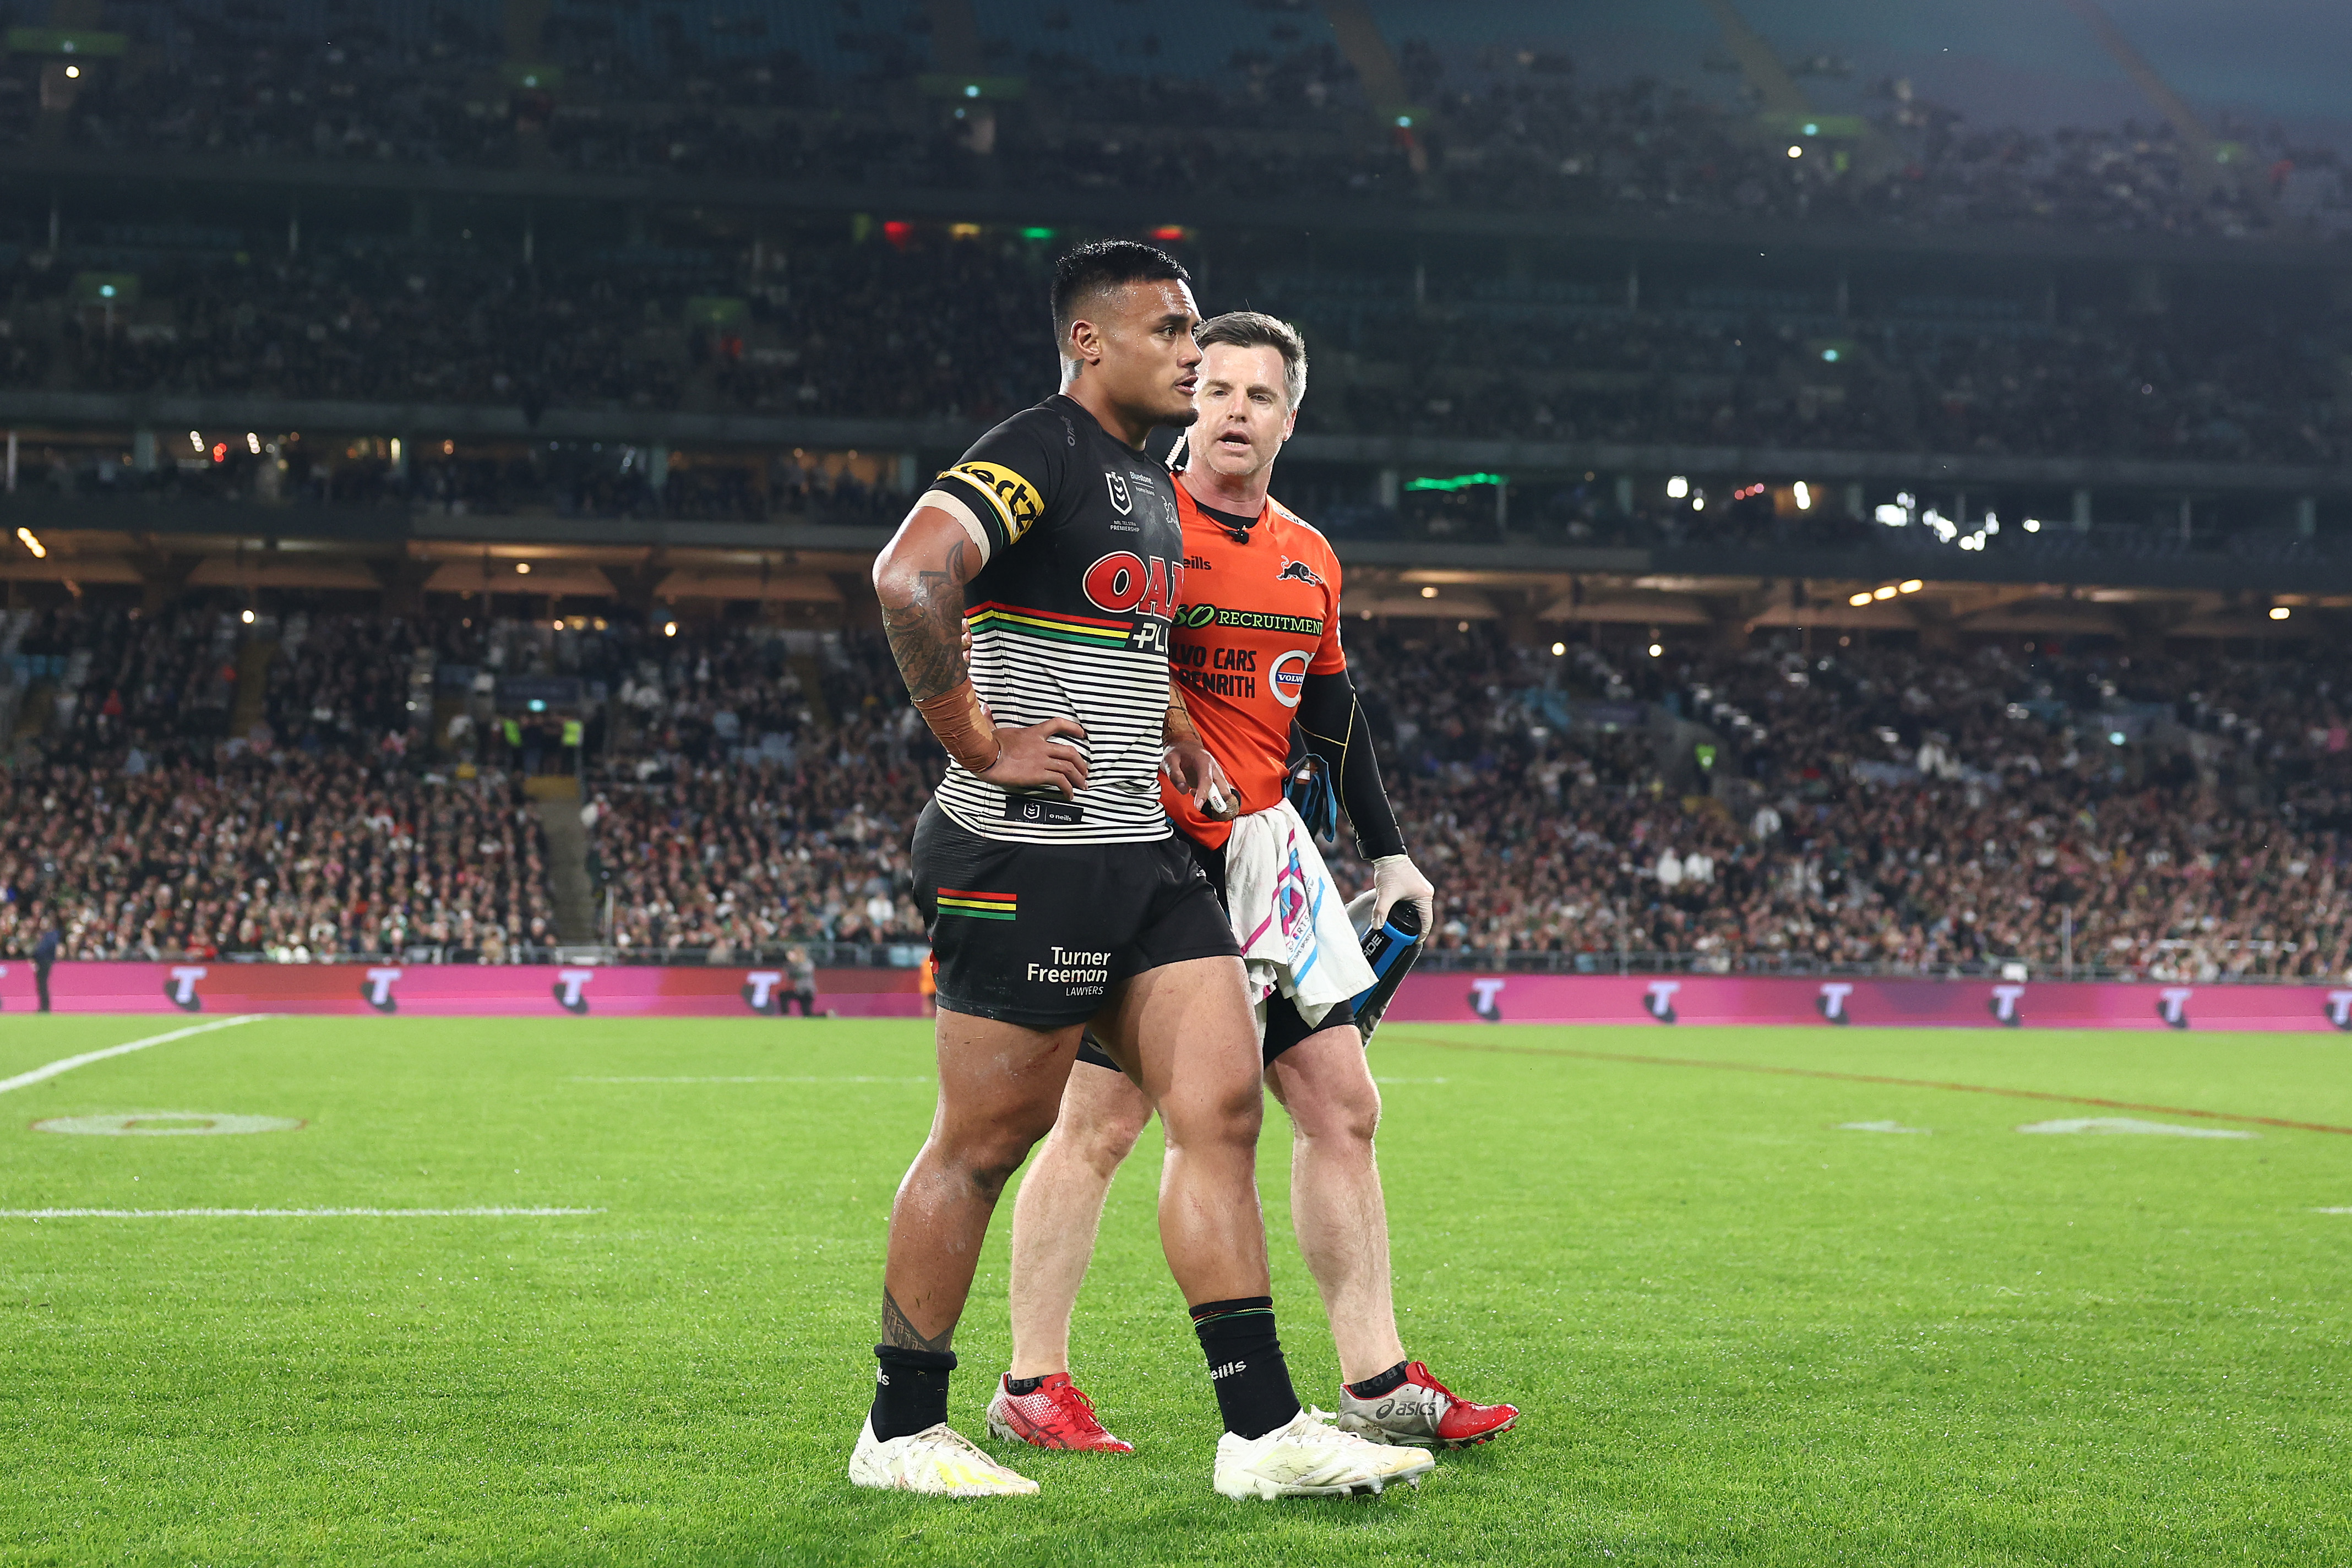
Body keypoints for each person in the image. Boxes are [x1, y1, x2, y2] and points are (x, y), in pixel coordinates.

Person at [853, 244, 1430, 1500]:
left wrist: (1171, 734)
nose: (1192, 349)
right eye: (1169, 329)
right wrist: (980, 741)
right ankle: (899, 1426)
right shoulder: (1038, 448)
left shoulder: (1143, 488)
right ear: (1089, 342)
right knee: (985, 1139)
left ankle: (1263, 1427)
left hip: (1142, 852)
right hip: (1024, 852)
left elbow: (1131, 646)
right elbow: (911, 574)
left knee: (1217, 1113)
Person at [992, 312, 1519, 1456]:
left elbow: (1331, 713)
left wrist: (1389, 851)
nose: (1233, 410)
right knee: (1103, 1118)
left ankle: (1376, 1381)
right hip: (1143, 852)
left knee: (1341, 1105)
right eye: (1214, 388)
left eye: (1257, 394)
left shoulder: (1309, 553)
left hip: (1269, 858)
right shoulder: (1127, 518)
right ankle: (1032, 1378)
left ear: (1291, 413)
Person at [783, 945, 818, 1017]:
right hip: (799, 990)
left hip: (807, 991)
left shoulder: (808, 963)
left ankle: (826, 1015)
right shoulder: (794, 964)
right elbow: (789, 975)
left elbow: (801, 974)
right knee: (784, 995)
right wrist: (791, 963)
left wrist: (794, 963)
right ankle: (785, 1014)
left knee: (807, 1014)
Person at [33, 921, 58, 1013]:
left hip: (44, 962)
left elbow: (41, 950)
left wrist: (34, 955)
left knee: (42, 985)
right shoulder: (49, 936)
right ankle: (44, 1006)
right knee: (42, 985)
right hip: (46, 962)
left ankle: (45, 1007)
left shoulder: (49, 936)